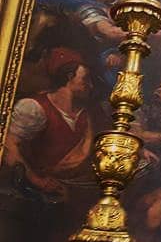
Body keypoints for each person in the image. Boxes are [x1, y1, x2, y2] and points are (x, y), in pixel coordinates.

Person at [3, 48, 95, 197]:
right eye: (85, 79)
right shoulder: (34, 107)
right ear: (69, 77)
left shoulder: (86, 114)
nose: (90, 85)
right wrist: (37, 181)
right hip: (40, 194)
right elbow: (9, 144)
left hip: (78, 192)